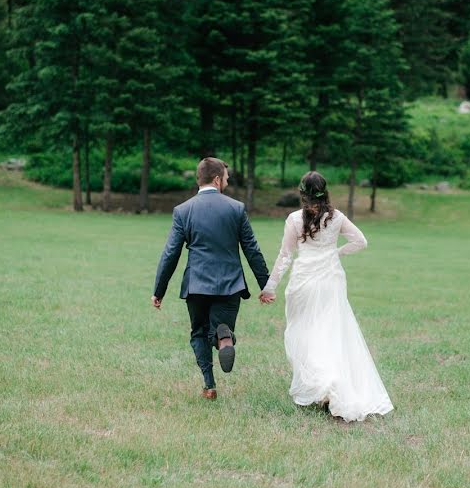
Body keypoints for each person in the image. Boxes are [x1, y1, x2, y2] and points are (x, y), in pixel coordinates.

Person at [260, 171, 393, 421]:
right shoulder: (337, 218)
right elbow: (361, 241)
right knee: (331, 330)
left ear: (301, 193)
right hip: (331, 280)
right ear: (325, 191)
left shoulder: (293, 219)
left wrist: (270, 287)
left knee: (305, 333)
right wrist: (336, 253)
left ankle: (324, 383)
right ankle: (330, 385)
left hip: (303, 282)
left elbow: (285, 256)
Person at [152, 157, 270, 400]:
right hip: (230, 285)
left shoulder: (183, 211)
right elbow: (252, 250)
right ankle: (224, 338)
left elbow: (170, 254)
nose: (227, 182)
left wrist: (159, 290)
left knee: (198, 333)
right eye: (226, 178)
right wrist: (266, 285)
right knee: (218, 330)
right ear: (217, 179)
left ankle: (209, 385)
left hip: (196, 285)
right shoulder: (236, 208)